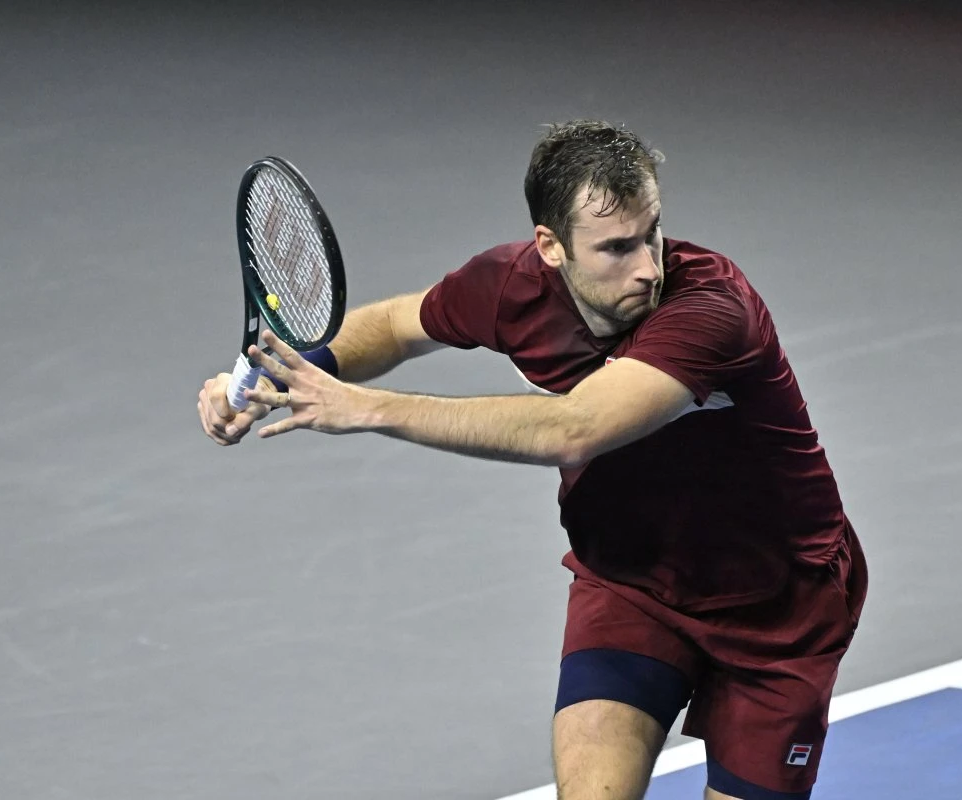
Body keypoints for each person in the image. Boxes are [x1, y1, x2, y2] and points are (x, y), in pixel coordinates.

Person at [197, 120, 867, 800]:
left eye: (652, 233)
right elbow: (396, 325)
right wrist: (282, 374)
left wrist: (367, 408)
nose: (647, 266)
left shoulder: (711, 310)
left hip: (777, 606)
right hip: (630, 581)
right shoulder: (508, 288)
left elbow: (576, 428)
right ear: (550, 246)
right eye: (616, 247)